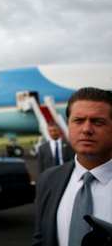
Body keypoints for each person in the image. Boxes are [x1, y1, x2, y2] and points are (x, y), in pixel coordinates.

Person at [32, 87, 112, 246]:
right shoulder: (48, 180)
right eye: (78, 121)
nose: (86, 129)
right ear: (68, 125)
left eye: (97, 122)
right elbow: (40, 239)